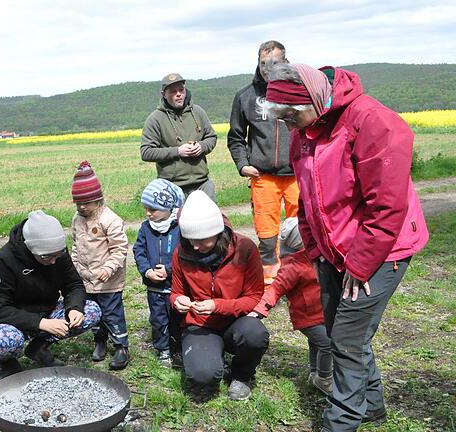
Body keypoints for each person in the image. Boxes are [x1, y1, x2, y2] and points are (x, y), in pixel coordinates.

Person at [259, 63, 429, 431]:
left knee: (348, 340)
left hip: (383, 248)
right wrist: (316, 250)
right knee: (340, 332)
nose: (289, 127)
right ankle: (372, 408)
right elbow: (306, 197)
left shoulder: (373, 122)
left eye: (291, 117)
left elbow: (387, 207)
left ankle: (341, 422)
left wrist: (360, 264)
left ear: (316, 101)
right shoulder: (304, 129)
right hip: (331, 249)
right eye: (282, 120)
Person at [0, 210, 102, 377]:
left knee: (91, 311)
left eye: (57, 255)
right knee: (5, 341)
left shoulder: (58, 254)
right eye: (46, 257)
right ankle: (8, 362)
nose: (53, 261)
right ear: (30, 248)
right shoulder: (3, 261)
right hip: (6, 321)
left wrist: (74, 308)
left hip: (44, 311)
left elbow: (73, 285)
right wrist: (41, 323)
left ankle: (38, 347)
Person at [170, 191, 269, 401]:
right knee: (202, 375)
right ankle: (212, 358)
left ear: (218, 232)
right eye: (190, 240)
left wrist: (217, 306)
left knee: (255, 335)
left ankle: (242, 374)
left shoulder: (245, 249)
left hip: (237, 321)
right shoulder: (181, 252)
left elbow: (254, 297)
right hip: (200, 323)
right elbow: (176, 291)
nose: (195, 246)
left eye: (201, 240)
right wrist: (177, 301)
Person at [227, 40, 298, 284]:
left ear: (285, 62)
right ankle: (270, 280)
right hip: (263, 176)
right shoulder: (245, 96)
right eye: (263, 64)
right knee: (267, 232)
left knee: (301, 227)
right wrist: (242, 164)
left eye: (275, 63)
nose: (268, 69)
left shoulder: (298, 90)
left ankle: (300, 276)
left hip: (297, 174)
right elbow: (236, 137)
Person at [249, 217, 332, 395]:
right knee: (327, 344)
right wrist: (259, 310)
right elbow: (276, 288)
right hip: (308, 318)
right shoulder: (293, 266)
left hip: (321, 313)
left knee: (315, 344)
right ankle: (325, 378)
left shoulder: (315, 256)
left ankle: (314, 373)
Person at [70, 161, 130, 370]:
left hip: (108, 280)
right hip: (87, 279)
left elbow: (120, 249)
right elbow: (76, 245)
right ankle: (100, 340)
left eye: (86, 203)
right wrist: (75, 266)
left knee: (112, 312)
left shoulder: (110, 220)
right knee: (93, 312)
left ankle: (121, 346)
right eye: (78, 203)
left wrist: (108, 268)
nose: (81, 207)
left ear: (97, 200)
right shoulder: (77, 220)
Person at [133, 178, 185, 367]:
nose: (148, 214)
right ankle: (162, 349)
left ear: (168, 207)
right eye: (146, 209)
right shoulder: (146, 228)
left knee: (177, 319)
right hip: (154, 288)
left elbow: (185, 254)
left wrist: (170, 270)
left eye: (153, 209)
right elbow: (139, 251)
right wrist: (147, 271)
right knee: (158, 319)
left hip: (175, 287)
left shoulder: (179, 227)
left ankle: (178, 348)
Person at [141, 73, 218, 199]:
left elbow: (212, 137)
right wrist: (178, 151)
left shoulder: (198, 112)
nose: (178, 94)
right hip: (171, 187)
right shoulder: (155, 119)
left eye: (181, 90)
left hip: (202, 184)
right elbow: (146, 152)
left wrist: (202, 146)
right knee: (177, 219)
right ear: (163, 94)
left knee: (209, 218)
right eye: (173, 91)